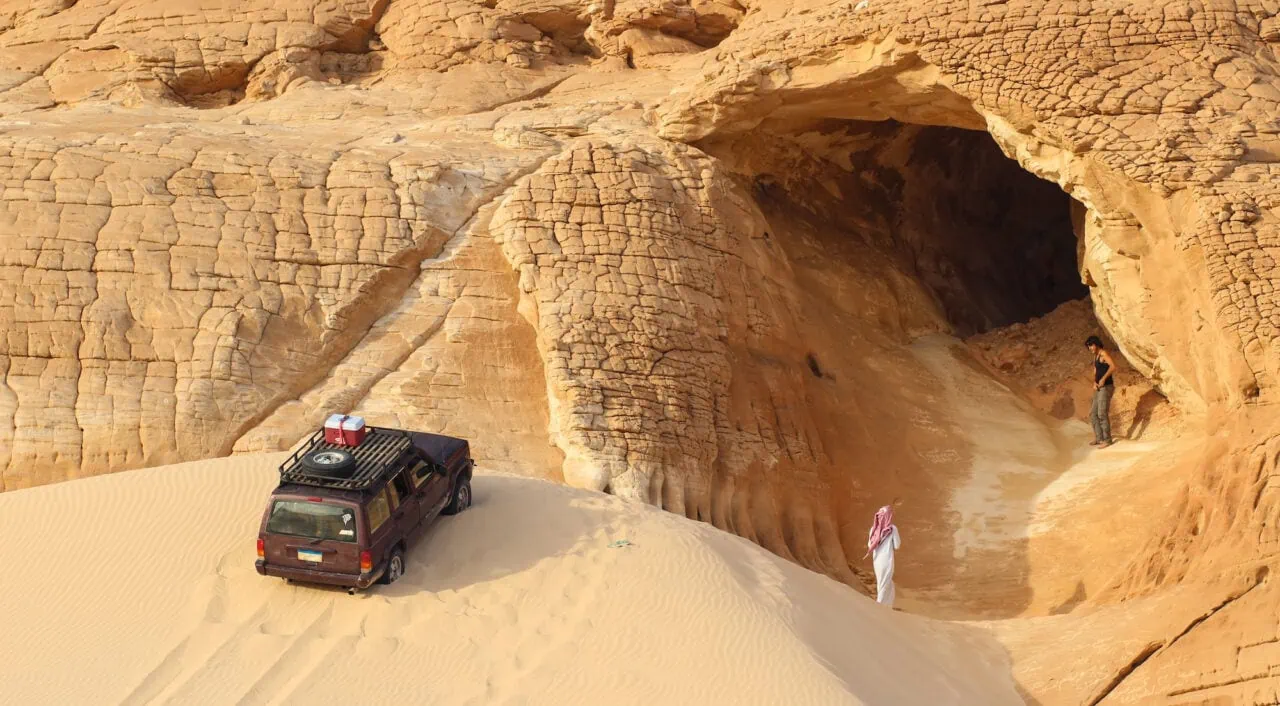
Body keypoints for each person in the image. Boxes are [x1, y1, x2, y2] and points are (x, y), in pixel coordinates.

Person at [864, 500, 902, 608]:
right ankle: (878, 608)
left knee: (886, 585)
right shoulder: (892, 529)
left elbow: (869, 545)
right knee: (884, 585)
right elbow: (897, 545)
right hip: (887, 561)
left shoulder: (873, 529)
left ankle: (887, 608)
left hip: (877, 561)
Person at [1086, 335, 1117, 448]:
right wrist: (1095, 382)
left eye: (1091, 345)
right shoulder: (1095, 356)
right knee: (1093, 414)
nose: (1090, 348)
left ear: (1096, 344)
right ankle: (1099, 438)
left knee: (1102, 413)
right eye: (1088, 346)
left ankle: (1107, 440)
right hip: (1099, 388)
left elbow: (1113, 366)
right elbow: (1095, 370)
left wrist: (1103, 379)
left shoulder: (1104, 353)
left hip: (1106, 387)